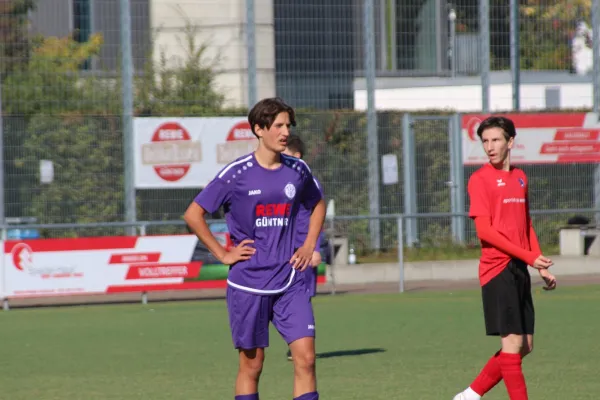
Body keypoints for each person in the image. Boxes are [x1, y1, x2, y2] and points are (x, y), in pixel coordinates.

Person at [184, 97, 326, 400]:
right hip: (249, 283)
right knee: (253, 365)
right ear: (259, 129)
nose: (285, 132)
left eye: (288, 125)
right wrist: (223, 254)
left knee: (307, 358)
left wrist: (309, 243)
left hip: (290, 280)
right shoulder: (236, 174)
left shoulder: (298, 170)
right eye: (278, 126)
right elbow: (193, 214)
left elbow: (317, 204)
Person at [453, 116, 557, 400]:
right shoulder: (479, 180)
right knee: (512, 344)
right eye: (485, 141)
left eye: (496, 140)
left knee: (525, 346)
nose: (490, 146)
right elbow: (485, 232)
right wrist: (528, 257)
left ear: (510, 141)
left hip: (520, 267)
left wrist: (539, 263)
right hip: (497, 270)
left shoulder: (521, 177)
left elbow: (526, 224)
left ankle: (470, 395)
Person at [282, 134, 325, 362]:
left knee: (302, 298)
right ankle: (295, 344)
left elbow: (317, 218)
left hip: (304, 251)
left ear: (297, 157)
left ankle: (302, 347)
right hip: (285, 251)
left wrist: (315, 248)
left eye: (286, 155)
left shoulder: (310, 183)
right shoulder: (281, 182)